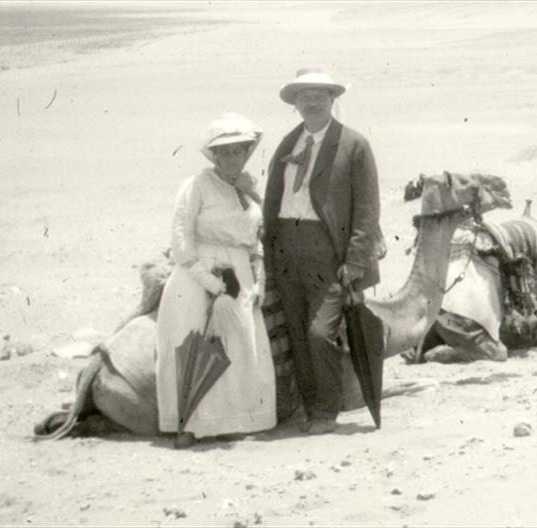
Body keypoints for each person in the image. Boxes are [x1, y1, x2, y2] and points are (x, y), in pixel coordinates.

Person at [263, 68, 381, 435]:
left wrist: (356, 259)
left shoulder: (354, 145)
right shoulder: (287, 144)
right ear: (294, 104)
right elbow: (273, 200)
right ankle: (311, 407)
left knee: (319, 332)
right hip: (286, 249)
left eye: (319, 95)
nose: (311, 103)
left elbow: (366, 208)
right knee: (297, 333)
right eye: (303, 96)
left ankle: (327, 412)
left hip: (327, 252)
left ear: (333, 100)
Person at [156, 113, 276, 448]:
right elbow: (181, 238)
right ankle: (189, 424)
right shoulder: (196, 186)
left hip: (240, 275)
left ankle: (233, 420)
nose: (232, 158)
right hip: (199, 275)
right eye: (224, 152)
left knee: (240, 348)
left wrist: (260, 277)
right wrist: (207, 281)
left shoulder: (248, 192)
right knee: (193, 342)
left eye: (238, 151)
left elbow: (257, 240)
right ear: (214, 155)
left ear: (247, 153)